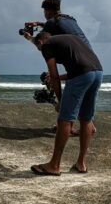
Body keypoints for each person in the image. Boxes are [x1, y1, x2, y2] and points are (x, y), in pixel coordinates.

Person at [29, 31, 103, 176]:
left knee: (65, 119)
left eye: (39, 50)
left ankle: (54, 165)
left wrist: (60, 100)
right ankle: (81, 163)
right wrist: (58, 78)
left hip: (82, 74)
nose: (42, 52)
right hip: (98, 72)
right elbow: (82, 69)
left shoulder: (46, 45)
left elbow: (54, 75)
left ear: (40, 43)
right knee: (86, 118)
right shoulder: (71, 39)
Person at [24, 0, 91, 49]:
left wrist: (29, 37)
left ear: (48, 12)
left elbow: (39, 44)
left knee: (47, 48)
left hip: (78, 64)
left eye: (44, 12)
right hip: (93, 60)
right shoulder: (71, 19)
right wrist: (38, 24)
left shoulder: (51, 23)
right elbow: (57, 25)